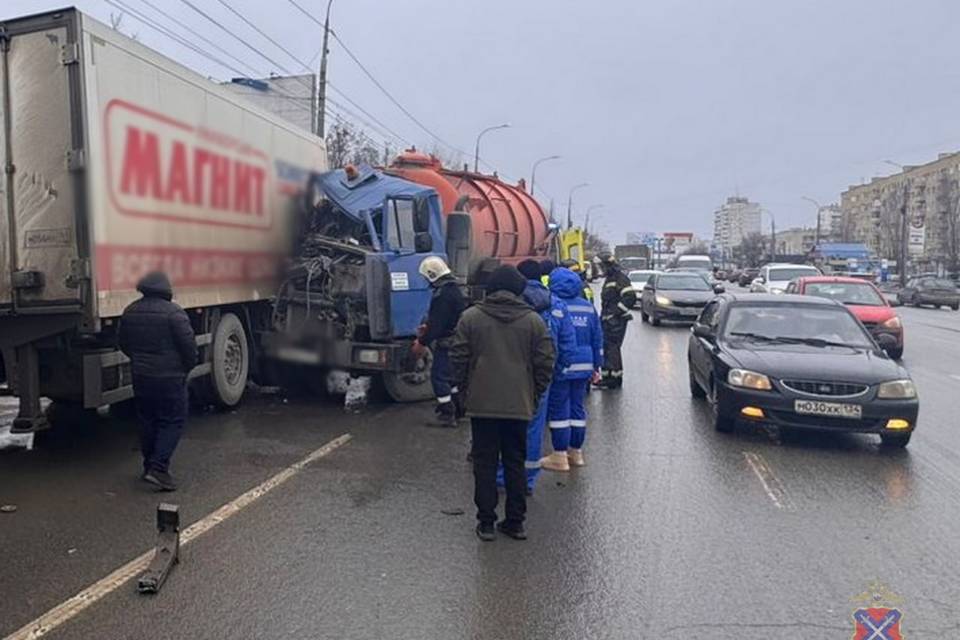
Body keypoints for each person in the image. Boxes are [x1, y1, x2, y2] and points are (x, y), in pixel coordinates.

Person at [451, 265, 555, 541]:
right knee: (515, 462)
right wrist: (533, 393)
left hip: (482, 404)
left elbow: (458, 358)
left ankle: (486, 522)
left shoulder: (470, 318)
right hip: (519, 405)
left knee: (484, 463)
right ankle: (515, 522)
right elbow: (546, 362)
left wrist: (463, 392)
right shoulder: (534, 321)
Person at [496, 259, 576, 494]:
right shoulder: (557, 304)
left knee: (506, 425)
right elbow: (567, 345)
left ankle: (502, 476)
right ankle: (527, 480)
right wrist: (559, 372)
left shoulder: (511, 303)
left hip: (510, 374)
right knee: (532, 428)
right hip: (543, 376)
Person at [118, 272, 197, 491]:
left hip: (141, 376)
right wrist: (186, 367)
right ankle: (159, 468)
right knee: (172, 421)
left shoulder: (130, 311)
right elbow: (188, 347)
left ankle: (148, 466)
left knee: (147, 420)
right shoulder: (175, 313)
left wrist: (139, 361)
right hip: (170, 377)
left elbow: (123, 342)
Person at [541, 267, 604, 470]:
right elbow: (597, 338)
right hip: (585, 364)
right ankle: (576, 453)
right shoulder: (587, 307)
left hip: (563, 365)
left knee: (559, 408)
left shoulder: (555, 306)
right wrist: (597, 365)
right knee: (577, 408)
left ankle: (559, 456)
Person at [413, 256, 467, 426]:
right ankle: (458, 408)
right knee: (451, 378)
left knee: (439, 377)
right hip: (456, 340)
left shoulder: (442, 295)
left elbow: (438, 323)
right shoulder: (454, 291)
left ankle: (446, 414)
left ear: (432, 275)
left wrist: (422, 341)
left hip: (447, 342)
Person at [597, 253, 635, 389]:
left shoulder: (620, 278)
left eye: (601, 266)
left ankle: (615, 378)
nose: (600, 269)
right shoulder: (610, 278)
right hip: (608, 321)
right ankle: (607, 376)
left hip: (616, 322)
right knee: (606, 348)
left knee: (613, 348)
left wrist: (615, 313)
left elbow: (630, 297)